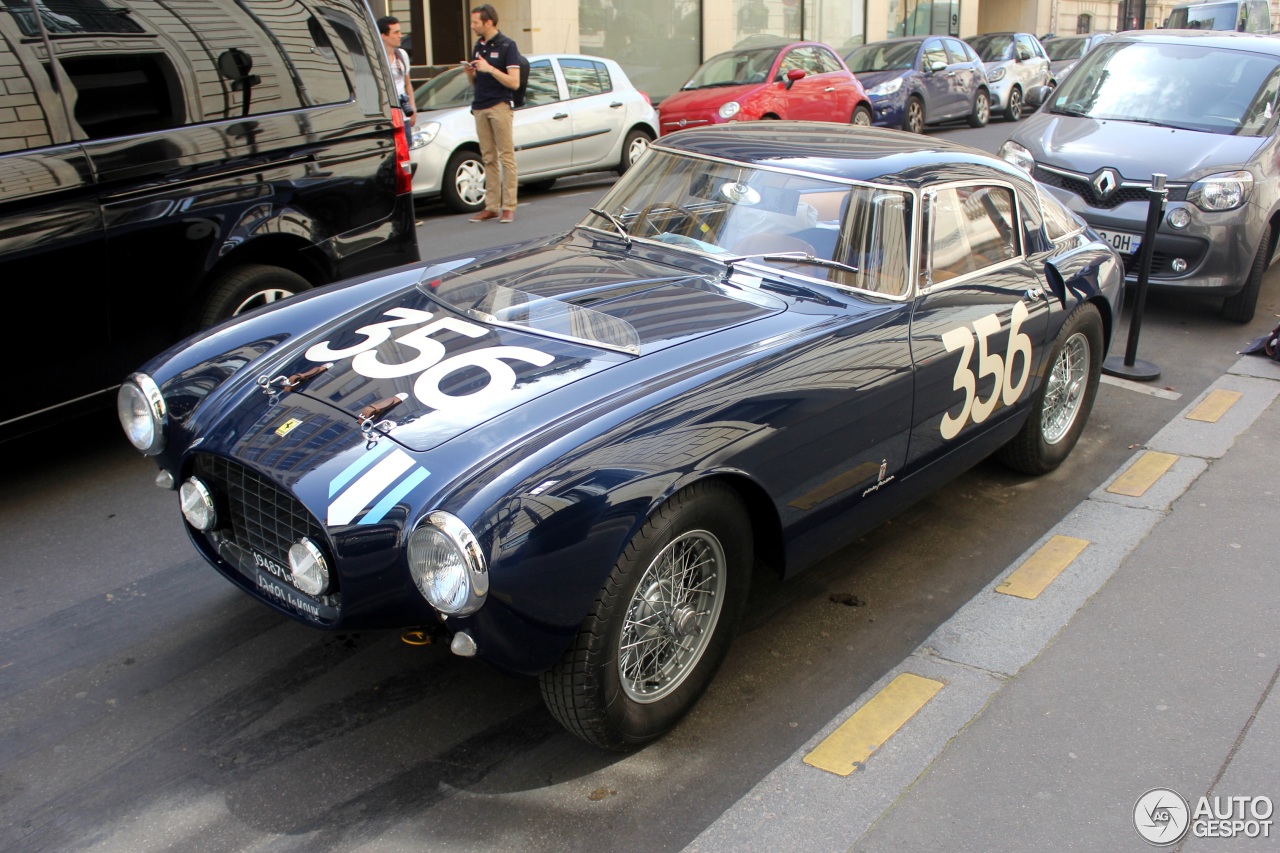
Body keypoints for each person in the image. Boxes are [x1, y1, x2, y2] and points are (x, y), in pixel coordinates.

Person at [463, 4, 521, 223]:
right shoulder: (478, 45)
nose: (472, 26)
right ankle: (491, 206)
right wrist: (470, 73)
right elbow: (475, 80)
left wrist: (491, 69)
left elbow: (514, 82)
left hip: (500, 105)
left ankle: (509, 206)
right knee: (488, 157)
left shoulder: (508, 45)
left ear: (488, 22)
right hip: (480, 105)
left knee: (506, 156)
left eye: (475, 22)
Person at [377, 16, 415, 143]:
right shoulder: (376, 59)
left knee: (406, 154)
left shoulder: (402, 55)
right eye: (396, 32)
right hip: (386, 118)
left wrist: (413, 108)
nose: (400, 35)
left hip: (403, 116)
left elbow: (407, 84)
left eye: (400, 31)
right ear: (383, 35)